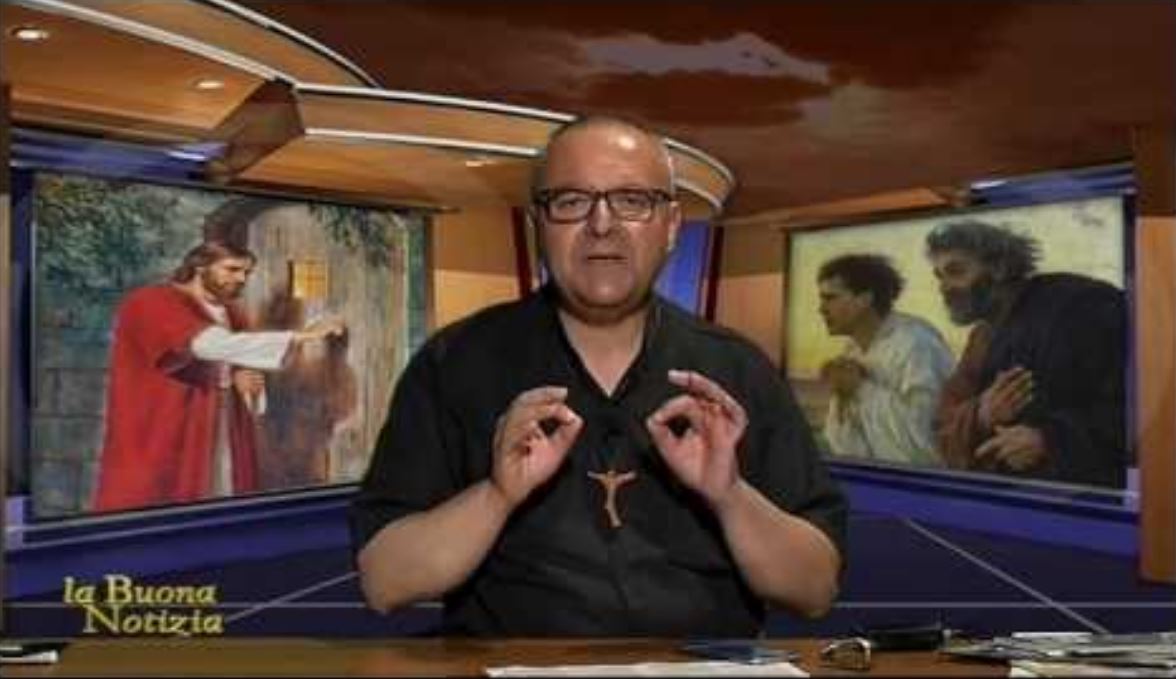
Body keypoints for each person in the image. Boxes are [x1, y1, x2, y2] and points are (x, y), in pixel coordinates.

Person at [350, 116, 846, 636]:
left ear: (671, 225)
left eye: (633, 200)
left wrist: (730, 494)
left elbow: (814, 590)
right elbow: (385, 582)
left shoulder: (738, 370)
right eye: (570, 201)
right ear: (536, 225)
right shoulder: (455, 362)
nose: (602, 224)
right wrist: (496, 495)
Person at [94, 240, 345, 512]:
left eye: (246, 272)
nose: (241, 279)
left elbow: (246, 365)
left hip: (222, 435)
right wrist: (300, 336)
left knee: (222, 499)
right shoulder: (153, 302)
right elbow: (207, 346)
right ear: (200, 267)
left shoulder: (233, 315)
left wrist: (248, 386)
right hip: (164, 434)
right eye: (232, 269)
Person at [927, 220, 1128, 488]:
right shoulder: (982, 337)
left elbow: (1136, 405)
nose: (944, 287)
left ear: (998, 267)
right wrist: (981, 414)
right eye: (939, 276)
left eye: (956, 271)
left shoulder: (1082, 306)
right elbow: (943, 423)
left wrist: (1049, 440)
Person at [817, 254, 954, 467]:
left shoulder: (917, 343)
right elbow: (845, 446)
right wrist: (842, 399)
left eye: (831, 298)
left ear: (865, 299)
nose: (821, 309)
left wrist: (860, 388)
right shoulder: (852, 351)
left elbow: (925, 444)